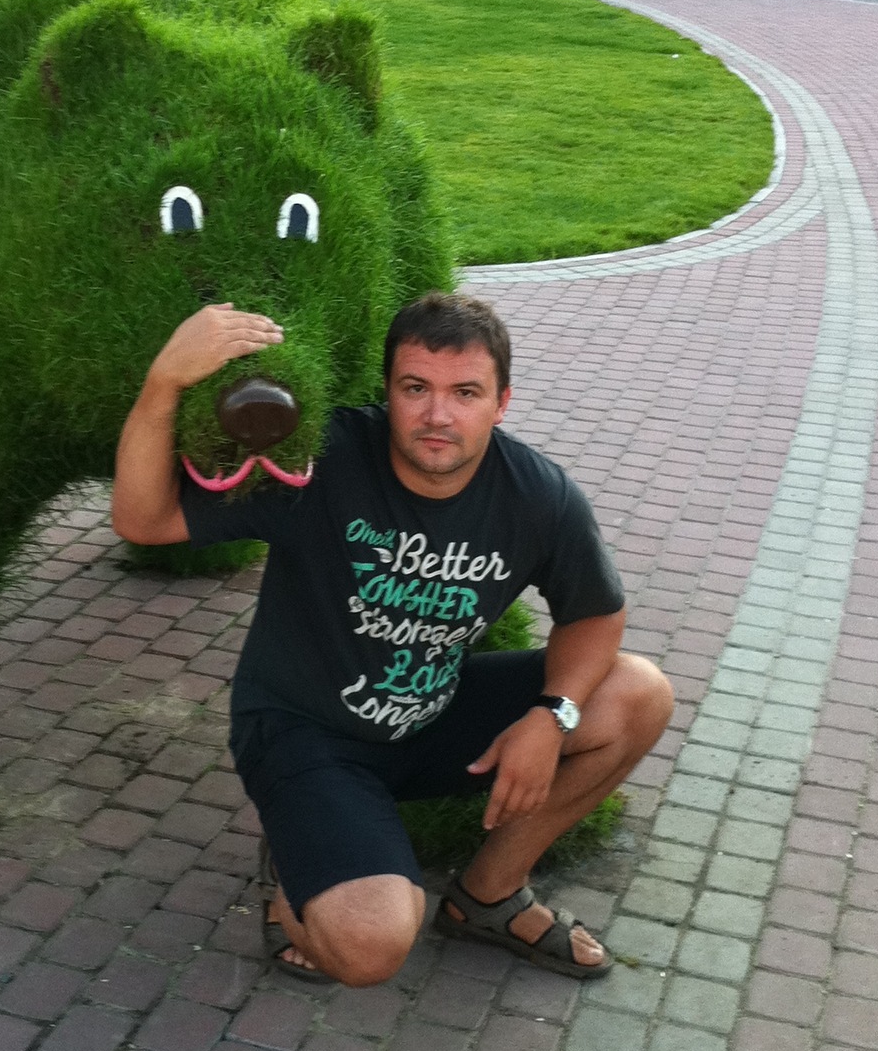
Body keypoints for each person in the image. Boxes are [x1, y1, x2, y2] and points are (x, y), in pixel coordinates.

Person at [112, 292, 674, 989]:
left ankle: (488, 897)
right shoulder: (323, 461)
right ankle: (296, 863)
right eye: (416, 388)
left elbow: (595, 616)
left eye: (465, 392)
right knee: (370, 945)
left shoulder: (537, 497)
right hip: (304, 730)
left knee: (638, 694)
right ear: (388, 393)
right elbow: (146, 519)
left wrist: (549, 716)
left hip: (431, 712)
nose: (438, 415)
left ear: (501, 403)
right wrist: (164, 381)